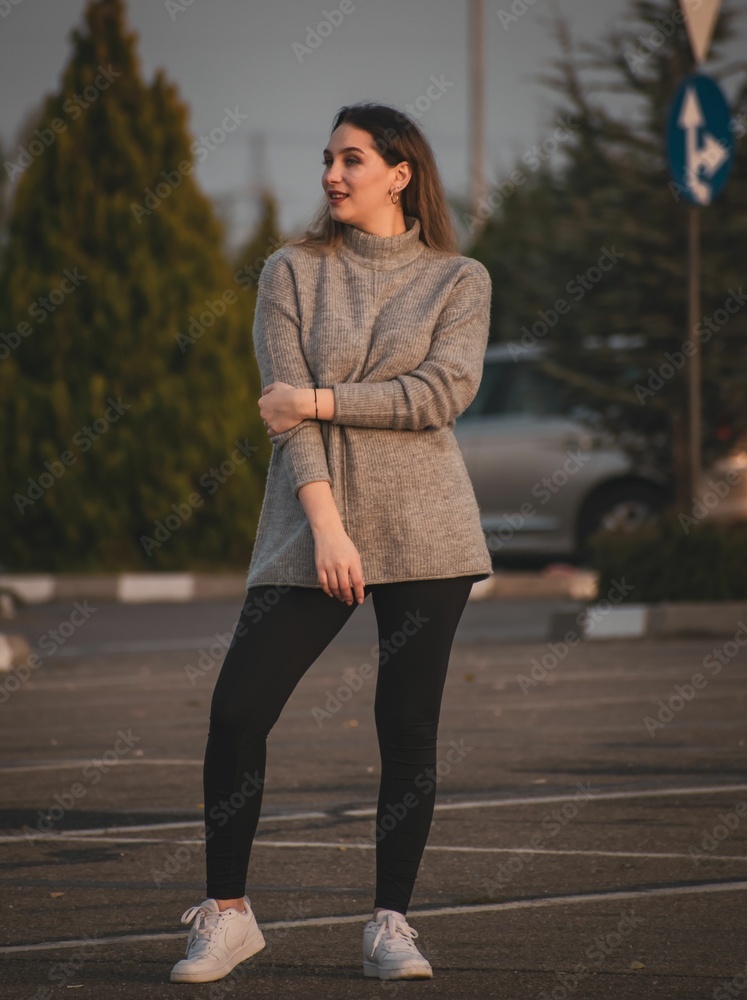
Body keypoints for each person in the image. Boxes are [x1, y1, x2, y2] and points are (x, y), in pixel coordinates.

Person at [169, 101, 493, 985]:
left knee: (408, 728)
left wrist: (318, 397)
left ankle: (391, 924)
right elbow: (285, 418)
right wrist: (327, 527)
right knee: (238, 711)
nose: (331, 175)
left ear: (400, 174)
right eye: (328, 158)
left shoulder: (459, 279)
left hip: (428, 528)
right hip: (313, 526)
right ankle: (229, 916)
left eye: (352, 159)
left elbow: (438, 396)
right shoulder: (292, 270)